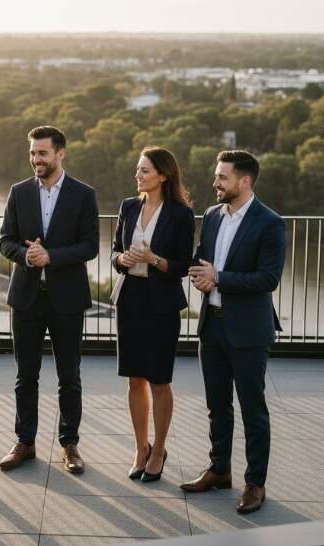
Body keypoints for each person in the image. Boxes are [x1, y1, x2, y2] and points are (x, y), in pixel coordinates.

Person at [183, 150, 286, 514]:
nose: (215, 183)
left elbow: (269, 278)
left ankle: (255, 483)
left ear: (244, 181)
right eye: (216, 176)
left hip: (248, 331)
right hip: (211, 325)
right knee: (217, 406)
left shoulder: (270, 223)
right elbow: (202, 258)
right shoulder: (211, 216)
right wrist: (199, 275)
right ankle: (219, 470)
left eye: (222, 177)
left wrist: (220, 278)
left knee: (252, 409)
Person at [0, 126, 99, 474]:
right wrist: (26, 257)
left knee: (69, 375)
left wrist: (50, 256)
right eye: (32, 153)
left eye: (42, 153)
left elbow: (90, 246)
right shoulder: (18, 192)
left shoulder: (84, 194)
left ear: (60, 154)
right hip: (26, 297)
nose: (35, 160)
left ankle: (69, 444)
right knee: (25, 375)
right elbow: (6, 239)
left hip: (67, 299)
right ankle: (25, 442)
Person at [111, 146, 195, 483]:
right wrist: (124, 260)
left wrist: (155, 259)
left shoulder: (180, 214)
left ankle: (159, 449)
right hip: (129, 299)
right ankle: (140, 448)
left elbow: (183, 265)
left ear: (163, 174)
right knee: (134, 379)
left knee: (159, 380)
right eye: (138, 169)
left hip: (161, 305)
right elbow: (114, 251)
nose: (138, 175)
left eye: (145, 170)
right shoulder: (129, 207)